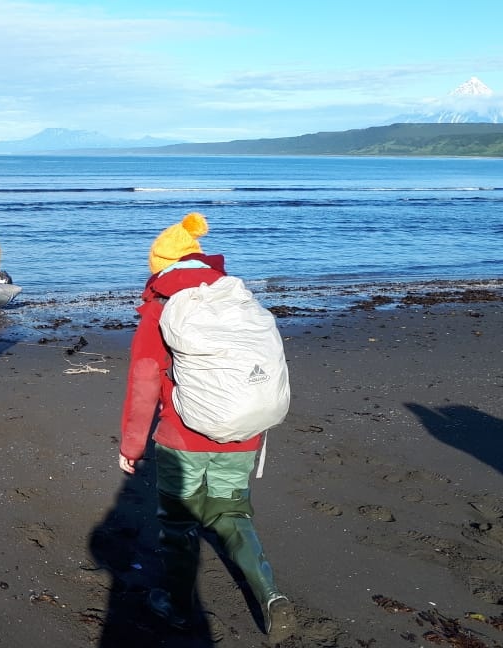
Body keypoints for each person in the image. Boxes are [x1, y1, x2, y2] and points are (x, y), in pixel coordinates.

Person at [118, 212, 296, 642]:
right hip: (244, 432)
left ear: (161, 265)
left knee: (178, 523)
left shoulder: (161, 306)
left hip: (182, 437)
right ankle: (270, 596)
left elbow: (145, 378)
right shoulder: (235, 296)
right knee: (232, 513)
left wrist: (132, 445)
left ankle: (179, 608)